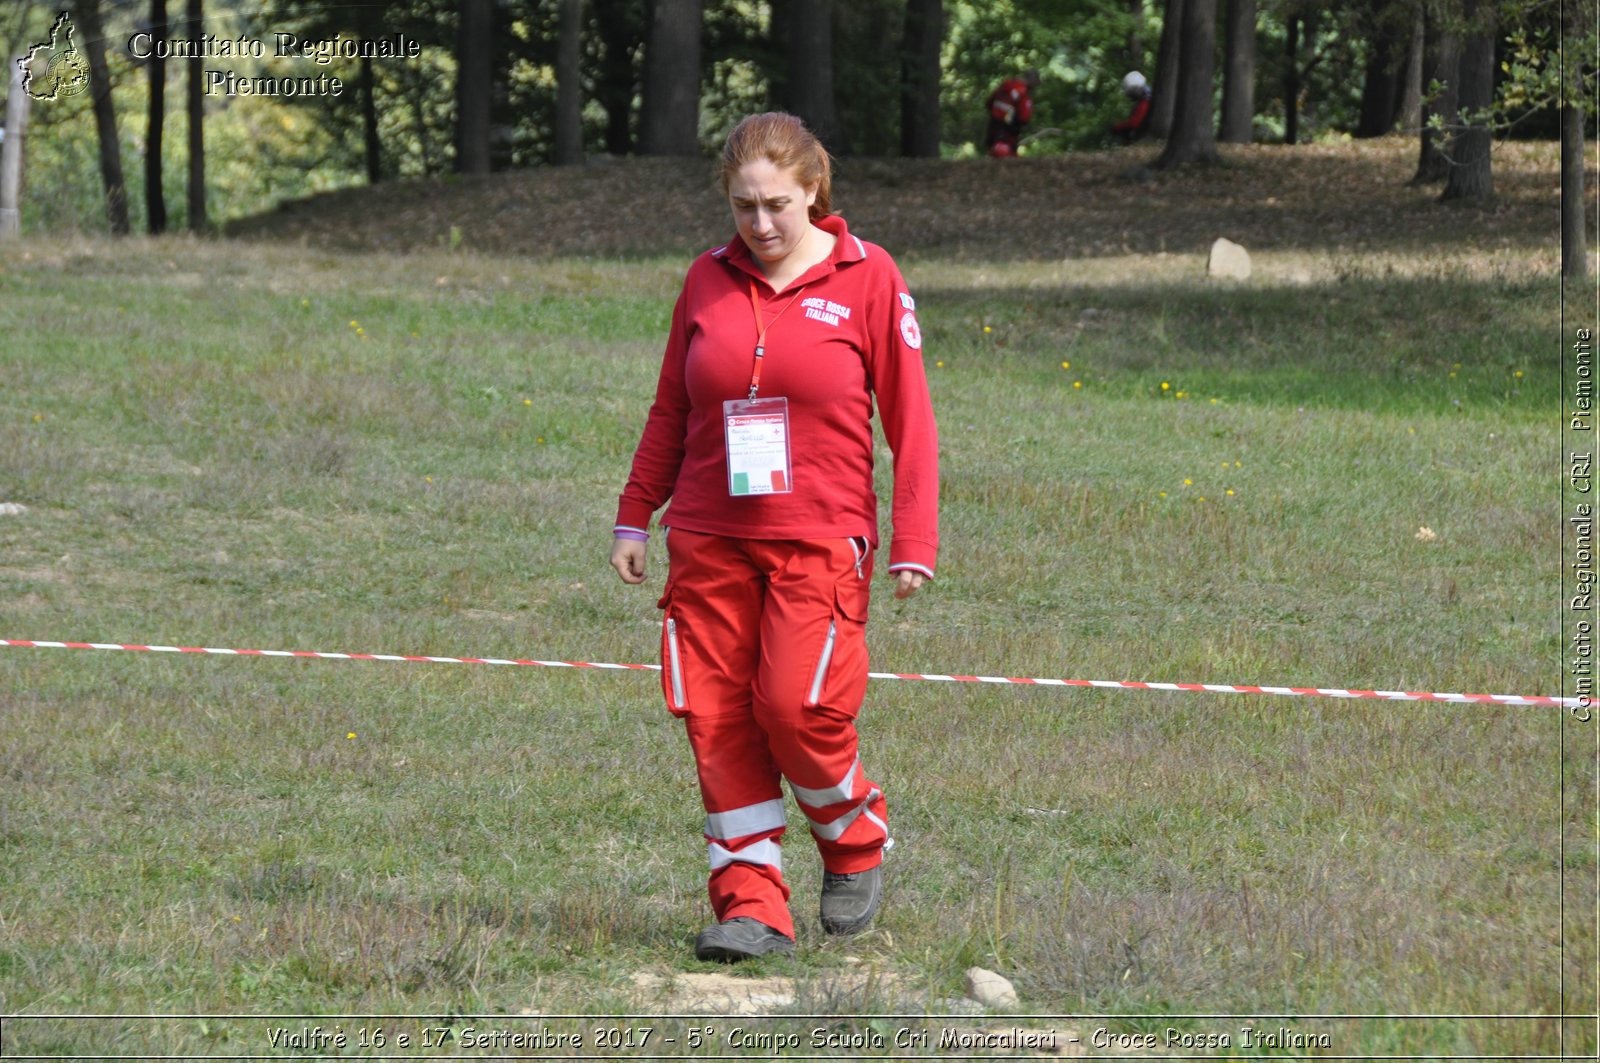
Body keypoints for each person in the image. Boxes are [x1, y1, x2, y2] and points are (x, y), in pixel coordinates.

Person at [610, 112, 939, 963]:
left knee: (796, 706)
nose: (760, 225)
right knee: (716, 718)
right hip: (710, 537)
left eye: (777, 206)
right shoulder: (704, 279)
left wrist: (915, 539)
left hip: (819, 539)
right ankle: (751, 905)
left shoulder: (871, 277)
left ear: (814, 192)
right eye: (744, 206)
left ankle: (854, 836)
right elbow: (671, 410)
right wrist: (633, 512)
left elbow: (913, 421)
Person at [984, 69, 1040, 157]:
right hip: (1009, 130)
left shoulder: (1006, 84)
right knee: (1006, 154)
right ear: (1033, 81)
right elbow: (1024, 118)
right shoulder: (1023, 93)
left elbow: (989, 102)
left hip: (993, 125)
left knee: (994, 152)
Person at [1112, 70, 1152, 143]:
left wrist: (1118, 126)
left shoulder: (1145, 102)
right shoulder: (1146, 98)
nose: (1130, 97)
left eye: (1131, 93)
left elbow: (1134, 123)